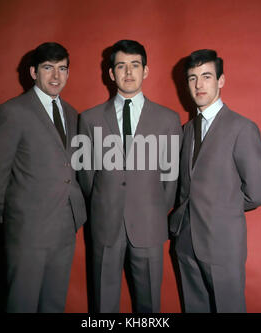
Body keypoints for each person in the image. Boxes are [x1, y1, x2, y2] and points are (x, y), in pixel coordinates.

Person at [0, 42, 87, 313]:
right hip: (27, 229)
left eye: (62, 69)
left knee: (54, 303)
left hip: (65, 226)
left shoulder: (73, 115)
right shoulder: (12, 112)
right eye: (48, 68)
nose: (56, 76)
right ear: (33, 72)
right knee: (22, 302)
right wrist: (12, 217)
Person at [78, 39, 182, 313]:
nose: (128, 72)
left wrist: (153, 208)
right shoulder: (89, 120)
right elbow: (87, 177)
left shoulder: (167, 119)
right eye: (121, 66)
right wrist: (105, 202)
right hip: (105, 225)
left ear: (145, 71)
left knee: (149, 305)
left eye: (135, 65)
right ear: (111, 73)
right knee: (103, 304)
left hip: (149, 224)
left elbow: (170, 178)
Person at [169, 49, 261, 312]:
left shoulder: (242, 128)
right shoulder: (186, 130)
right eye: (192, 78)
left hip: (222, 242)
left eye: (206, 76)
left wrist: (222, 209)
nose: (199, 85)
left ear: (221, 80)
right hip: (185, 240)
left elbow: (258, 193)